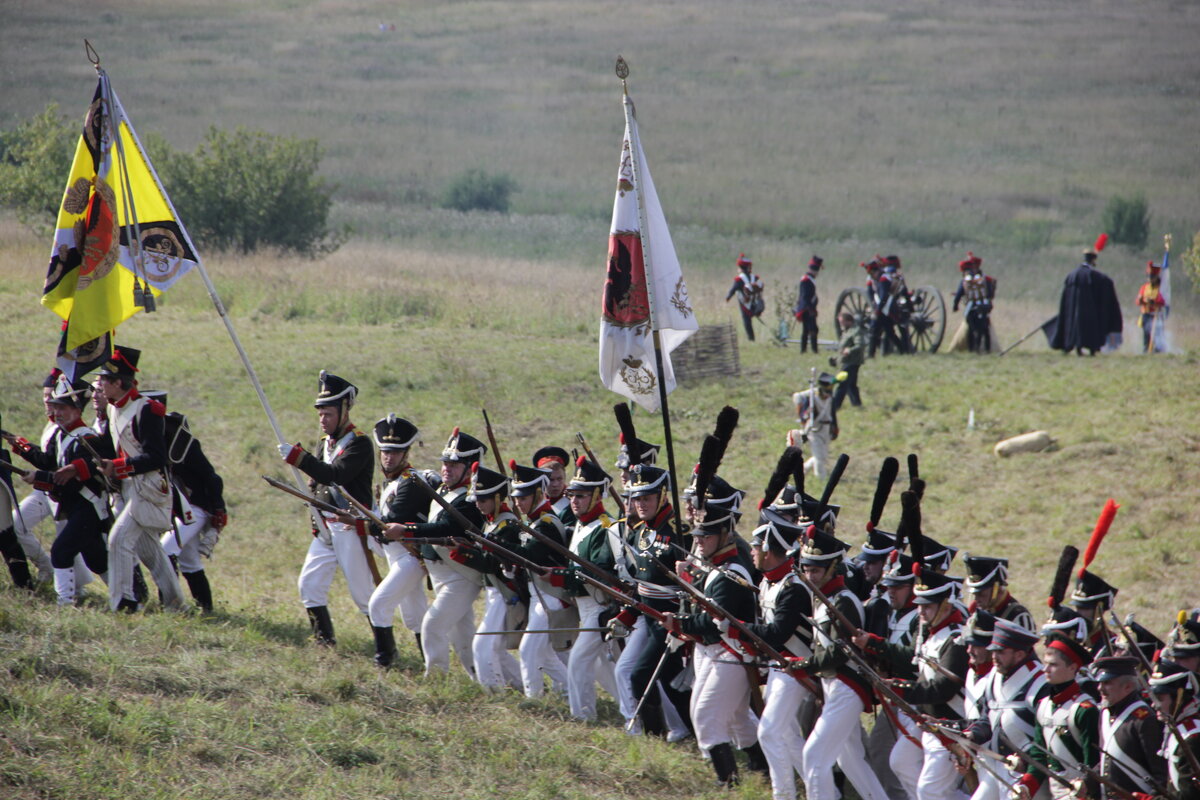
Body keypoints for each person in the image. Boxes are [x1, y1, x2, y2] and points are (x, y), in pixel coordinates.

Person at [667, 477, 766, 786]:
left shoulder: (730, 573)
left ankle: (729, 783)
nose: (699, 541)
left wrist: (679, 624)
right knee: (736, 718)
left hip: (732, 654)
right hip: (717, 652)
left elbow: (713, 621)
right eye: (698, 535)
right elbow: (700, 605)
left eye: (706, 536)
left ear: (724, 535)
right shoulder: (714, 567)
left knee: (706, 716)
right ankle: (761, 767)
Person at [279, 370, 377, 645]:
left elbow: (334, 475)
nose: (323, 420)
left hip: (349, 526)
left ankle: (386, 651)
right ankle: (324, 642)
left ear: (344, 411)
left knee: (363, 597)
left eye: (329, 414)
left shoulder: (359, 443)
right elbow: (320, 481)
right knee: (309, 586)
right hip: (325, 527)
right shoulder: (326, 442)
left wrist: (299, 459)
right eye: (320, 414)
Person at [793, 524, 889, 800]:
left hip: (849, 684)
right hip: (834, 684)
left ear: (832, 569)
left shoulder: (843, 601)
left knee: (813, 756)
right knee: (850, 760)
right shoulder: (823, 598)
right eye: (807, 569)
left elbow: (840, 652)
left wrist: (804, 665)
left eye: (816, 570)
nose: (809, 575)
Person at [859, 568, 970, 800]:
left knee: (930, 790)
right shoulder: (931, 633)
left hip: (951, 723)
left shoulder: (955, 639)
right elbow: (912, 658)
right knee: (901, 763)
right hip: (929, 720)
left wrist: (898, 688)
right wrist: (875, 645)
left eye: (927, 606)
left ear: (946, 607)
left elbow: (943, 688)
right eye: (919, 605)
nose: (920, 611)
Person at [5, 375, 113, 605]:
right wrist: (19, 444)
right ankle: (127, 598)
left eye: (62, 407)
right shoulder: (61, 433)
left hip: (88, 506)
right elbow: (47, 461)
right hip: (74, 506)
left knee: (61, 552)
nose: (57, 412)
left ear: (76, 410)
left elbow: (70, 480)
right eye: (55, 407)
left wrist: (40, 478)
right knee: (97, 560)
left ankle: (65, 602)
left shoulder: (88, 438)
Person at [94, 347, 187, 613]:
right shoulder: (115, 409)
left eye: (104, 381)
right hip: (129, 487)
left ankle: (124, 604)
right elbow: (114, 445)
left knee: (117, 540)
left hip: (148, 488)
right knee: (150, 552)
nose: (100, 387)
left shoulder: (147, 410)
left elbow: (157, 458)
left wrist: (119, 466)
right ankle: (176, 603)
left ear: (118, 383)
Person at [740, 510, 816, 800]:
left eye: (756, 546)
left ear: (769, 551)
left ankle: (783, 794)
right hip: (779, 666)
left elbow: (777, 634)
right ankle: (819, 790)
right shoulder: (768, 581)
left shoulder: (794, 588)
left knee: (769, 731)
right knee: (786, 734)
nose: (752, 551)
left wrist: (740, 630)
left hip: (795, 666)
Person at [608, 464, 688, 738]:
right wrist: (627, 615)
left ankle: (659, 734)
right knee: (656, 676)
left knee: (647, 675)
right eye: (636, 498)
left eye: (647, 498)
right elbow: (640, 585)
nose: (640, 504)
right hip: (648, 616)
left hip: (672, 618)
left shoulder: (679, 532)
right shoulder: (640, 532)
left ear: (663, 495)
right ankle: (674, 731)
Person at [401, 428, 487, 678]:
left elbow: (446, 528)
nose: (446, 468)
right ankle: (496, 683)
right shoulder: (443, 491)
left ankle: (436, 680)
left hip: (459, 575)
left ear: (470, 468)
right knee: (464, 641)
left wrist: (407, 530)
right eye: (445, 463)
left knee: (432, 626)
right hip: (441, 575)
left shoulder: (469, 501)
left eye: (454, 464)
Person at [547, 456, 622, 721]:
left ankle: (583, 717)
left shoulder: (605, 526)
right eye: (572, 495)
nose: (574, 501)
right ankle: (629, 708)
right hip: (584, 605)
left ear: (596, 496)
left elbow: (598, 570)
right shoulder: (581, 524)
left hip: (599, 606)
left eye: (581, 496)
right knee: (604, 668)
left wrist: (561, 577)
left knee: (578, 662)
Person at [370, 415, 432, 667]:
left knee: (378, 605)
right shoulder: (394, 481)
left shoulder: (410, 482)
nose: (389, 456)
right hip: (397, 556)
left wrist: (360, 522)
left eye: (395, 451)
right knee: (415, 617)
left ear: (406, 453)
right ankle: (432, 666)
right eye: (385, 451)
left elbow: (391, 522)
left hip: (411, 556)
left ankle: (384, 661)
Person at [508, 459, 572, 698]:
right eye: (515, 498)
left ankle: (533, 698)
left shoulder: (545, 524)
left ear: (536, 494)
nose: (517, 503)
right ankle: (569, 690)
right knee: (544, 655)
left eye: (522, 498)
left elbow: (530, 556)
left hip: (551, 596)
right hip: (539, 596)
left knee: (527, 651)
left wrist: (499, 544)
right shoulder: (534, 522)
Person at [1012, 634, 1099, 800]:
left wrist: (1084, 789)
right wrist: (1026, 786)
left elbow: (1093, 763)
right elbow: (1039, 755)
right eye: (1045, 664)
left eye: (1053, 665)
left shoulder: (1085, 710)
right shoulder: (1044, 705)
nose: (1045, 670)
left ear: (1073, 668)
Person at [159, 407, 227, 613]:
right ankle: (206, 609)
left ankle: (170, 605)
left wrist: (218, 508)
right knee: (189, 562)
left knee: (165, 551)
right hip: (184, 508)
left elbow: (212, 478)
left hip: (196, 508)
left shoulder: (186, 447)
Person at [465, 464, 525, 692]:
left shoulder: (508, 525)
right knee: (496, 647)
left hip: (505, 591)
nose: (478, 504)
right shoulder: (492, 521)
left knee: (483, 644)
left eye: (484, 499)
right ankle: (522, 687)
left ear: (498, 498)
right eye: (478, 500)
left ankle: (495, 693)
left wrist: (465, 554)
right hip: (495, 591)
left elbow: (492, 563)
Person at [1090, 655, 1168, 798]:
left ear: (1128, 686)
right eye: (1100, 683)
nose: (1100, 688)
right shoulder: (1105, 713)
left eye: (1107, 683)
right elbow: (1108, 759)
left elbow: (1161, 774)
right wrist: (1086, 781)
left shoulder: (1144, 719)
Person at [1050, 245, 1122, 356]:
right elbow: (1107, 284)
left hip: (1073, 313)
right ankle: (1092, 349)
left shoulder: (1071, 276)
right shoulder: (1096, 277)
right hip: (1089, 312)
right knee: (1090, 326)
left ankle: (1077, 347)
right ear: (1093, 260)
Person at [1147, 659, 1200, 800]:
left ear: (1179, 698)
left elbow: (1189, 796)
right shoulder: (1178, 729)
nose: (1154, 705)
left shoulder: (1193, 738)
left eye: (1160, 698)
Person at [962, 555, 1034, 631]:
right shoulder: (974, 610)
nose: (976, 599)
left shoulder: (1018, 615)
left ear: (997, 589)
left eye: (981, 594)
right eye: (975, 594)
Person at [792, 372, 839, 478]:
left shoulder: (830, 397)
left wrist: (835, 427)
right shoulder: (812, 395)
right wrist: (803, 414)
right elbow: (797, 397)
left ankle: (803, 469)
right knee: (819, 457)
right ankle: (821, 478)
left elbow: (832, 413)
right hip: (814, 429)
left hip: (826, 429)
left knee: (823, 456)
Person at [952, 253, 997, 354]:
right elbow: (990, 293)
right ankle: (987, 350)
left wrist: (955, 306)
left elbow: (959, 294)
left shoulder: (965, 280)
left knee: (973, 330)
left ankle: (973, 350)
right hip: (985, 307)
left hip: (972, 308)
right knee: (985, 330)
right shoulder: (985, 279)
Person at [726, 253, 765, 341]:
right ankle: (751, 338)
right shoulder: (754, 277)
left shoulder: (739, 279)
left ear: (740, 268)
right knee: (749, 321)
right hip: (754, 303)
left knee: (747, 322)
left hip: (744, 304)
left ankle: (751, 339)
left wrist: (728, 297)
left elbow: (733, 289)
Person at [831, 312, 865, 411]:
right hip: (847, 361)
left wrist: (849, 350)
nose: (841, 324)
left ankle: (835, 405)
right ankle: (857, 404)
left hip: (853, 362)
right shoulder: (847, 331)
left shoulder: (856, 331)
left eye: (842, 322)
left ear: (848, 321)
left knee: (842, 383)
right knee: (851, 385)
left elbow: (860, 345)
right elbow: (842, 348)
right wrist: (836, 358)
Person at [1135, 261, 1168, 353]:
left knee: (1157, 334)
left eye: (1152, 277)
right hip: (1145, 313)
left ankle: (1158, 350)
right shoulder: (1144, 287)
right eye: (1149, 276)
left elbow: (1163, 301)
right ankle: (1146, 350)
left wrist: (1153, 302)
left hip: (1156, 314)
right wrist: (1141, 300)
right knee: (1146, 334)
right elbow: (1138, 301)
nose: (1150, 279)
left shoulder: (1161, 288)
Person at [794, 256, 822, 353]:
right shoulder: (806, 280)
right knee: (812, 330)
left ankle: (804, 350)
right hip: (807, 309)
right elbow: (805, 297)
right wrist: (810, 309)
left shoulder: (809, 279)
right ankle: (813, 350)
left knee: (807, 330)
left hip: (808, 308)